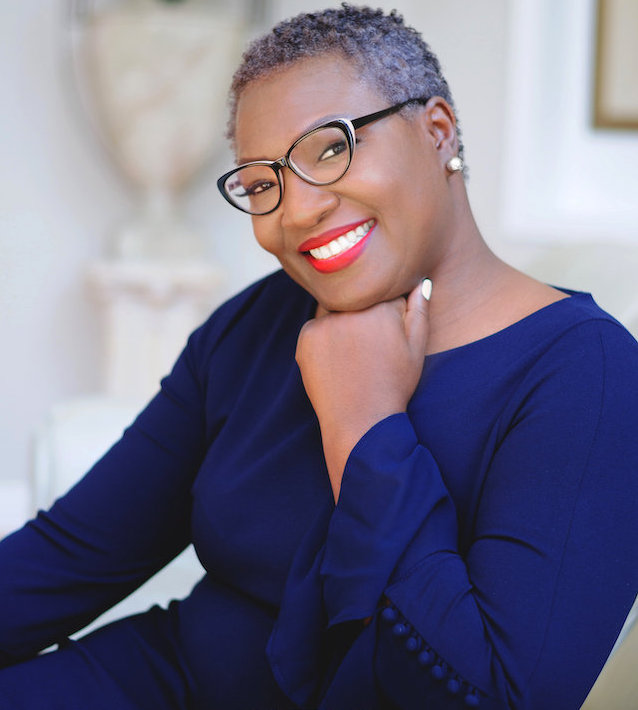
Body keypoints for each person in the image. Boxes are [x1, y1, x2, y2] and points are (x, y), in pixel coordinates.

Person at [1, 5, 637, 709]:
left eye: (330, 148)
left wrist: (364, 424)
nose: (296, 211)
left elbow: (493, 694)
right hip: (159, 682)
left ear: (437, 131)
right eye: (262, 183)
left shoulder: (588, 376)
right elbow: (72, 555)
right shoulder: (257, 323)